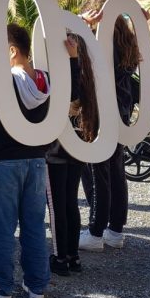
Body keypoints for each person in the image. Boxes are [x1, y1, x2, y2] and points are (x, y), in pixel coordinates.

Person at [0, 23, 51, 298]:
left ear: (12, 50)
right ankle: (37, 285)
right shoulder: (46, 81)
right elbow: (72, 90)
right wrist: (73, 61)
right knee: (34, 225)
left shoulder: (6, 82)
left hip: (5, 162)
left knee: (2, 226)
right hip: (38, 161)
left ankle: (1, 285)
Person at [79, 15, 139, 252]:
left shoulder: (101, 44)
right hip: (120, 110)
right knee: (115, 170)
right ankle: (115, 230)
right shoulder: (125, 42)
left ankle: (95, 231)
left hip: (99, 111)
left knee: (97, 172)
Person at [46, 33, 98, 276]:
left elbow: (69, 93)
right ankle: (72, 255)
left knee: (58, 205)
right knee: (69, 202)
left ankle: (60, 257)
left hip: (57, 147)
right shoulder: (89, 75)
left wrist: (71, 59)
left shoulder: (71, 74)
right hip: (76, 144)